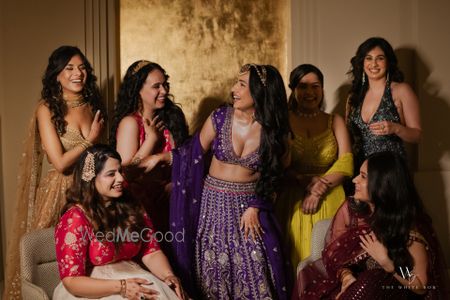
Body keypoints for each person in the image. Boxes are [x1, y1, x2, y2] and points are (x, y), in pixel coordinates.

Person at [140, 64, 292, 299]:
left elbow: (276, 178)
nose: (234, 89)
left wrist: (257, 205)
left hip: (248, 210)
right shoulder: (220, 117)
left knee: (256, 269)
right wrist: (161, 157)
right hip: (213, 206)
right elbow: (192, 153)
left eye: (242, 85)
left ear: (260, 91)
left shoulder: (275, 132)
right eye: (236, 83)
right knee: (214, 271)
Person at [3, 45, 105, 300]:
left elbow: (100, 155)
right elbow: (59, 163)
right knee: (55, 258)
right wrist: (90, 140)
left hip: (91, 188)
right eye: (69, 68)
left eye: (82, 67)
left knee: (92, 256)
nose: (77, 73)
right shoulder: (47, 108)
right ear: (56, 75)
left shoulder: (92, 105)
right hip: (61, 190)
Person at [294, 152, 449, 299]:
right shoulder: (352, 210)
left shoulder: (406, 229)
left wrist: (389, 264)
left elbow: (420, 285)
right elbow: (335, 258)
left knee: (373, 278)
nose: (354, 180)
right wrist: (346, 277)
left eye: (363, 177)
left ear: (382, 185)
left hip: (391, 292)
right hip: (350, 287)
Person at [53, 144, 185, 300]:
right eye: (111, 174)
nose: (121, 178)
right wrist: (121, 286)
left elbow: (151, 251)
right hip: (91, 289)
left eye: (120, 171)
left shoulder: (131, 204)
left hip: (131, 276)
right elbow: (71, 281)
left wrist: (168, 276)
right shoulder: (75, 217)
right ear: (91, 178)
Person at [276, 64, 353, 272]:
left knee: (328, 259)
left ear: (323, 89)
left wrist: (320, 188)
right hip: (293, 198)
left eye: (316, 86)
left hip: (331, 196)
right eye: (303, 86)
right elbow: (277, 164)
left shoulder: (334, 121)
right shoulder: (283, 122)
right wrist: (302, 181)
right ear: (293, 89)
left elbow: (346, 161)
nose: (310, 92)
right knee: (295, 260)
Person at [110, 60, 188, 243]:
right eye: (156, 87)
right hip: (142, 208)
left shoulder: (172, 118)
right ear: (138, 89)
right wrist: (151, 141)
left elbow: (184, 158)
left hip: (173, 203)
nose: (164, 91)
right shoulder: (130, 123)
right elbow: (125, 174)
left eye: (165, 84)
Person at [346, 37, 421, 171]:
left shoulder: (401, 90)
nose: (374, 64)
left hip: (390, 170)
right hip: (359, 169)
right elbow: (348, 137)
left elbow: (417, 135)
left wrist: (396, 128)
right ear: (362, 62)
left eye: (380, 58)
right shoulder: (354, 96)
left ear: (388, 62)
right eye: (368, 58)